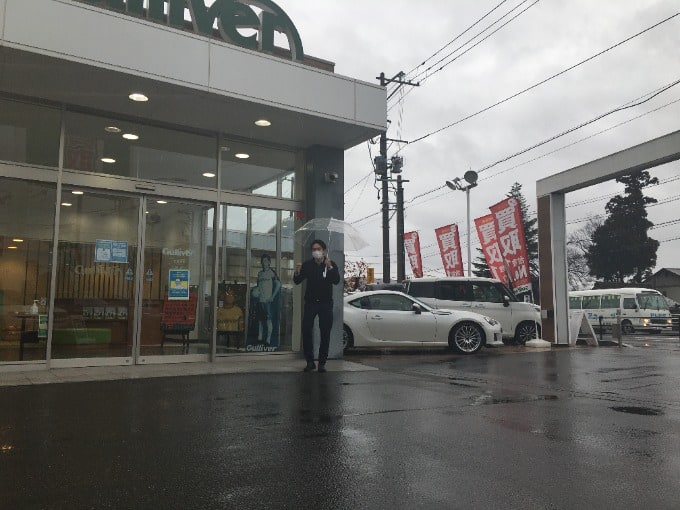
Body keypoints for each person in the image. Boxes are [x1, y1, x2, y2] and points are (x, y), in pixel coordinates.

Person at [294, 239, 340, 372]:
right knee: (306, 330)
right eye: (314, 249)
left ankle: (322, 363)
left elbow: (336, 280)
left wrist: (330, 267)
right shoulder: (308, 265)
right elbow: (297, 280)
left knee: (325, 333)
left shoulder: (330, 264)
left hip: (326, 304)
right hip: (311, 303)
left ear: (324, 250)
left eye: (318, 249)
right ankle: (309, 361)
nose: (316, 251)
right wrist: (297, 271)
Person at [254, 253, 281, 345]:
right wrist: (256, 293)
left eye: (266, 260)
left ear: (269, 262)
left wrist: (272, 296)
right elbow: (258, 286)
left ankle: (268, 339)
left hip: (268, 300)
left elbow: (278, 284)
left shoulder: (272, 273)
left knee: (268, 319)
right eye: (263, 260)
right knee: (260, 320)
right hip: (260, 300)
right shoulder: (260, 274)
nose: (264, 262)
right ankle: (260, 337)